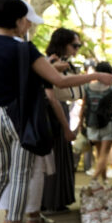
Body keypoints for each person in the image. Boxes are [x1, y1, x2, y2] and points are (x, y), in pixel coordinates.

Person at [0, 0, 112, 223]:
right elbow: (60, 81)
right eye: (26, 20)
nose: (28, 25)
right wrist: (96, 75)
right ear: (19, 21)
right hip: (20, 119)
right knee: (20, 175)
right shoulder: (24, 49)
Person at [39, 28, 83, 213]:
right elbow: (51, 95)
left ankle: (55, 201)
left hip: (61, 109)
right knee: (55, 157)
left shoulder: (60, 62)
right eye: (74, 46)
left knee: (61, 156)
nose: (76, 50)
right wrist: (66, 126)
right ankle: (50, 202)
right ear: (63, 44)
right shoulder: (50, 62)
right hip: (52, 111)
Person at [83, 61, 112, 183]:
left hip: (92, 124)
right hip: (109, 125)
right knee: (104, 154)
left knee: (98, 152)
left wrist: (81, 124)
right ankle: (94, 179)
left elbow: (84, 107)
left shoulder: (88, 88)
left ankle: (104, 179)